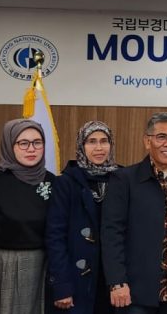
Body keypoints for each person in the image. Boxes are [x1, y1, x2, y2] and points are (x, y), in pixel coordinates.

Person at [101, 112, 167, 314]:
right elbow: (112, 234)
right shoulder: (124, 180)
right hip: (134, 292)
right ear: (147, 141)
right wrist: (117, 281)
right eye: (161, 137)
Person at [0, 119, 56, 314]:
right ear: (9, 145)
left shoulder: (53, 182)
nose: (31, 149)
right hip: (5, 268)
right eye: (23, 143)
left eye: (37, 142)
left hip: (45, 268)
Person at [45, 121, 119, 313]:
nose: (99, 148)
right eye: (91, 141)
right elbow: (55, 237)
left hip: (113, 281)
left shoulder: (122, 179)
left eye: (104, 141)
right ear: (81, 145)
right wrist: (62, 285)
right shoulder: (66, 182)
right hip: (76, 279)